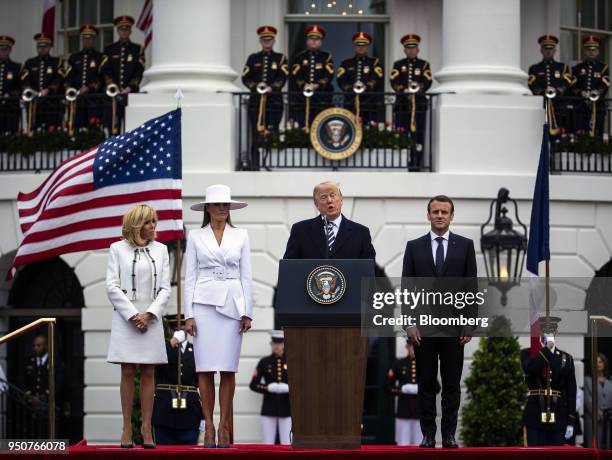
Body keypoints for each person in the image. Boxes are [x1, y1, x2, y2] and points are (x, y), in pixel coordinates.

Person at [401, 195, 477, 448]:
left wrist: (470, 322)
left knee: (452, 384)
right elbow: (407, 288)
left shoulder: (465, 246)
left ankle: (449, 435)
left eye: (445, 212)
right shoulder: (414, 247)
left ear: (452, 216)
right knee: (425, 383)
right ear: (428, 215)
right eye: (435, 211)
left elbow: (471, 286)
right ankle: (428, 435)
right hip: (423, 328)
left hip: (455, 329)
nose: (440, 215)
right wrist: (409, 324)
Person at [183, 184, 253, 448]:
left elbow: (247, 275)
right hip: (203, 305)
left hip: (233, 306)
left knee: (228, 368)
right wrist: (188, 314)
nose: (222, 209)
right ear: (208, 208)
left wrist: (248, 311)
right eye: (218, 205)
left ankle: (224, 425)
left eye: (226, 205)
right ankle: (208, 427)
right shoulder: (195, 236)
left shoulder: (242, 235)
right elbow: (189, 277)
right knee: (204, 368)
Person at [106, 204, 171, 448]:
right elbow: (111, 286)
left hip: (151, 318)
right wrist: (134, 315)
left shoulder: (162, 249)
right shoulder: (117, 249)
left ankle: (146, 428)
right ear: (136, 224)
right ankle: (126, 427)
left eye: (154, 221)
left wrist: (150, 314)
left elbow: (165, 287)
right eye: (147, 222)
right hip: (126, 317)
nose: (153, 226)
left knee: (149, 372)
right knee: (127, 371)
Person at [283, 181, 375, 260]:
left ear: (341, 200)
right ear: (316, 204)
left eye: (333, 195)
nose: (329, 200)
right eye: (323, 197)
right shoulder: (300, 230)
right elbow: (289, 267)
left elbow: (369, 270)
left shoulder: (361, 232)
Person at [521, 317, 577, 446]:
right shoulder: (527, 354)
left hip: (559, 416)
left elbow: (570, 391)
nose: (548, 332)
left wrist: (571, 421)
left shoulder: (566, 358)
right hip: (535, 415)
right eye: (545, 330)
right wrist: (547, 349)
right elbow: (532, 370)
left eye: (551, 330)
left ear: (557, 332)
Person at [241, 25, 289, 171]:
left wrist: (272, 87)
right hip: (256, 102)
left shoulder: (280, 58)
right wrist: (256, 86)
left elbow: (283, 76)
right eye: (264, 40)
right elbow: (245, 77)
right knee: (255, 133)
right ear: (260, 41)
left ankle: (268, 162)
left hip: (274, 102)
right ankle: (255, 163)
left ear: (274, 41)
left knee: (271, 131)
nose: (267, 42)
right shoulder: (253, 58)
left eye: (269, 40)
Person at [152, 314, 201, 445]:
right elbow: (152, 362)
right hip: (164, 413)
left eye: (182, 329)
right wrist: (172, 341)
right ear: (169, 330)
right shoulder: (162, 348)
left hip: (190, 413)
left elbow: (203, 382)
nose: (178, 332)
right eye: (174, 329)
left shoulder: (196, 350)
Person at [390, 34, 432, 170]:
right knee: (401, 135)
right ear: (404, 50)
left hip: (419, 106)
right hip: (402, 105)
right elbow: (393, 81)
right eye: (408, 48)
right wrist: (404, 90)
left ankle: (416, 164)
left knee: (418, 136)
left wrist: (419, 88)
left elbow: (428, 80)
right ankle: (402, 163)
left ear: (418, 49)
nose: (411, 50)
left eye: (413, 48)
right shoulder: (398, 65)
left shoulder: (424, 65)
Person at [101, 16, 145, 134]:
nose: (124, 32)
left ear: (130, 31)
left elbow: (139, 70)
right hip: (113, 94)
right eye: (121, 29)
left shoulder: (137, 49)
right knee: (113, 127)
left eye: (126, 29)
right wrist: (112, 85)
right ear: (117, 31)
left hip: (130, 93)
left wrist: (129, 87)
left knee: (131, 127)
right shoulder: (109, 49)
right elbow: (106, 69)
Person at [249, 330, 291, 445]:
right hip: (269, 407)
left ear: (284, 344)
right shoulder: (264, 362)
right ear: (271, 344)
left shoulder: (291, 361)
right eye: (274, 343)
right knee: (268, 442)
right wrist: (268, 388)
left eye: (280, 343)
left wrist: (289, 388)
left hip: (287, 408)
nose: (277, 346)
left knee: (287, 443)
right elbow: (253, 384)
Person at [289, 25, 335, 129]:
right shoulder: (300, 57)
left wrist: (318, 85)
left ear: (321, 41)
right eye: (311, 39)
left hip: (321, 98)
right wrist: (304, 85)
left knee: (320, 126)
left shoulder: (326, 57)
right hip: (302, 99)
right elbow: (295, 74)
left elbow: (329, 74)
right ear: (307, 41)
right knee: (303, 125)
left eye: (317, 39)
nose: (314, 41)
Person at [527, 35, 574, 134]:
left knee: (560, 137)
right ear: (541, 50)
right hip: (541, 106)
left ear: (555, 50)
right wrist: (543, 92)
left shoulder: (562, 67)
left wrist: (557, 91)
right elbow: (532, 84)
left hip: (559, 106)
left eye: (551, 48)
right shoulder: (534, 68)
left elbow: (567, 82)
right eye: (545, 48)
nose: (548, 51)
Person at [337, 31, 384, 125]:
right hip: (350, 102)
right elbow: (341, 81)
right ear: (354, 47)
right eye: (358, 45)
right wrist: (351, 88)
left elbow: (377, 78)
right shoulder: (346, 63)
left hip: (369, 103)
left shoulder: (374, 63)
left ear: (367, 47)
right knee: (350, 130)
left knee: (369, 131)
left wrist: (366, 87)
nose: (361, 47)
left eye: (364, 45)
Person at [20, 33, 64, 130]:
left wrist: (49, 89)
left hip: (52, 102)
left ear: (49, 47)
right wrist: (28, 89)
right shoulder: (30, 63)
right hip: (34, 103)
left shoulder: (57, 62)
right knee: (34, 129)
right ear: (37, 47)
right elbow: (24, 78)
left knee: (52, 128)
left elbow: (60, 78)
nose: (42, 49)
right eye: (40, 46)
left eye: (45, 46)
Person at [64, 24, 105, 131]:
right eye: (85, 38)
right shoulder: (74, 57)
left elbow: (101, 78)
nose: (87, 41)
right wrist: (69, 88)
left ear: (94, 39)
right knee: (76, 127)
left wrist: (89, 88)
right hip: (77, 99)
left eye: (90, 38)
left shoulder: (100, 57)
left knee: (93, 128)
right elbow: (68, 76)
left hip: (94, 99)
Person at [571, 36, 610, 137]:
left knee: (597, 133)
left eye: (594, 49)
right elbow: (573, 84)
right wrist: (580, 92)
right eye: (589, 49)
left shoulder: (603, 67)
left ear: (598, 51)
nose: (591, 52)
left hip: (598, 107)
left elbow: (606, 83)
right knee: (580, 133)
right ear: (585, 51)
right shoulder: (577, 67)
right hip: (581, 106)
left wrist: (598, 92)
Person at [584, 352, 612, 448]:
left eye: (600, 362)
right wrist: (599, 413)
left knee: (607, 446)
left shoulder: (610, 380)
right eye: (595, 362)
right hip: (593, 419)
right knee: (594, 447)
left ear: (604, 364)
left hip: (608, 420)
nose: (598, 364)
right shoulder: (587, 380)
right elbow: (587, 400)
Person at [0, 35, 21, 134]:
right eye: (1, 49)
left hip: (10, 107)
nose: (3, 52)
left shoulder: (16, 67)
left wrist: (10, 94)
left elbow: (20, 86)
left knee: (10, 134)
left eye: (5, 49)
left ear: (10, 50)